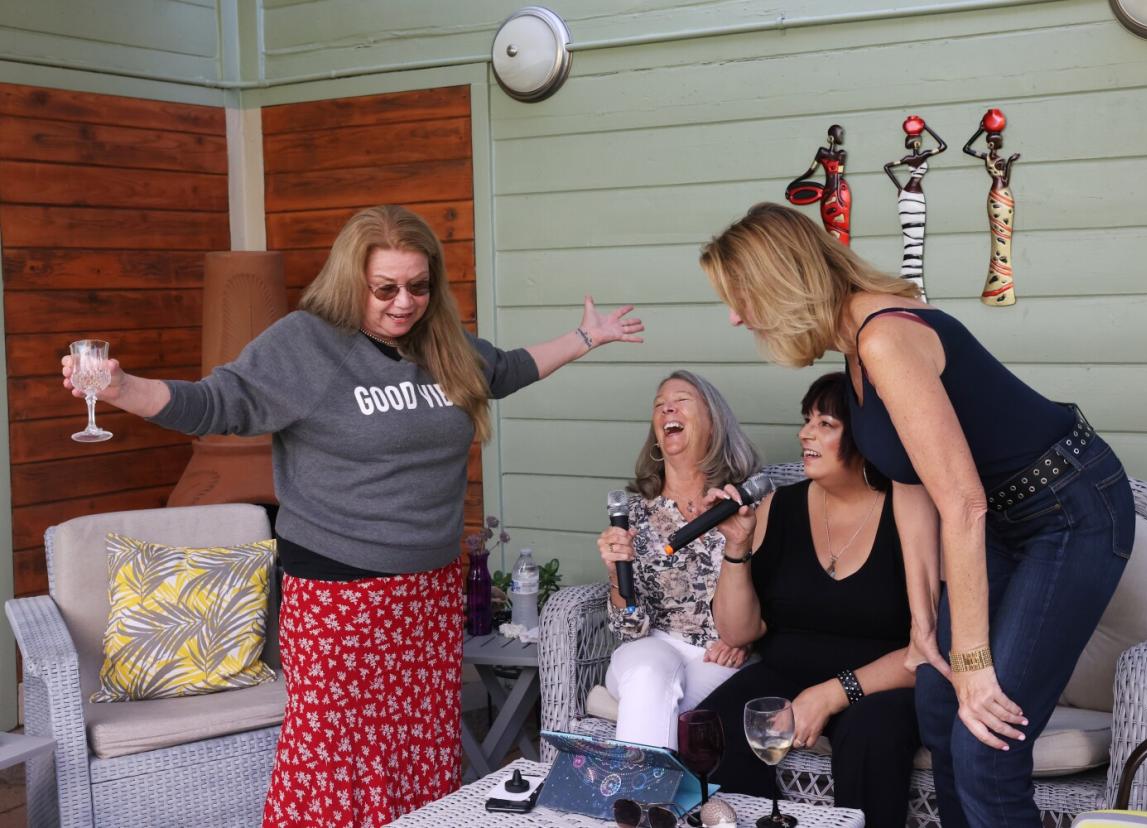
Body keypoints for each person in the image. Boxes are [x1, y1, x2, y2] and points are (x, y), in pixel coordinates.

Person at [62, 205, 644, 828]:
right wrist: (123, 390)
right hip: (340, 592)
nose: (404, 303)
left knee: (421, 748)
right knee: (334, 760)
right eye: (385, 288)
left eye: (418, 286)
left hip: (429, 590)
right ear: (350, 281)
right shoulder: (306, 343)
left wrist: (587, 338)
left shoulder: (439, 341)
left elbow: (504, 370)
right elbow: (216, 403)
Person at [699, 202, 1134, 828]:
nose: (737, 316)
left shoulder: (883, 336)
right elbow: (910, 480)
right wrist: (925, 620)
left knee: (986, 739)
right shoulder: (851, 349)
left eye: (741, 297)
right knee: (936, 702)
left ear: (781, 282)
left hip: (1068, 509)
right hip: (1005, 521)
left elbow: (962, 501)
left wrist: (976, 664)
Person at [699, 372, 919, 827]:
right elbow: (738, 633)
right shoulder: (778, 507)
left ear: (866, 436)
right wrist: (737, 547)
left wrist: (832, 694)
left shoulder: (909, 510)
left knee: (870, 733)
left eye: (825, 423)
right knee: (718, 721)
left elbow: (931, 647)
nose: (805, 433)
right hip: (786, 670)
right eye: (806, 420)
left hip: (881, 684)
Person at [595, 370, 759, 749]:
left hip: (717, 657)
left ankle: (635, 802)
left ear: (714, 423)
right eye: (659, 404)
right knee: (650, 673)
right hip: (647, 646)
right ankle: (645, 800)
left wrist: (746, 638)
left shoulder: (743, 506)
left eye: (682, 399)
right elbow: (629, 630)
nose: (667, 406)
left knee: (660, 705)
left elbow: (777, 592)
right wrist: (616, 573)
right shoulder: (634, 512)